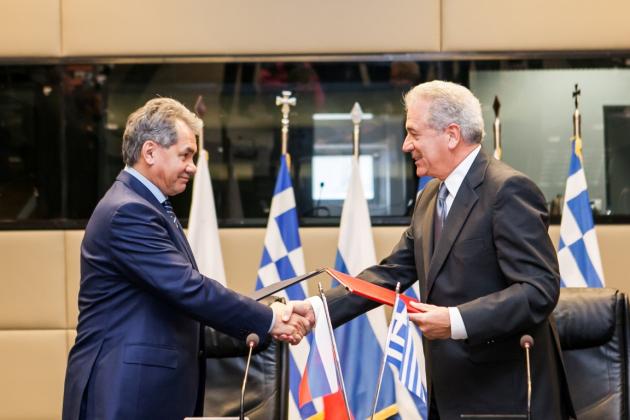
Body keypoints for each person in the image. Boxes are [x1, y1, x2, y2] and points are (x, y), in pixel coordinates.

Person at [302, 81, 574, 419]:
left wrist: (455, 320)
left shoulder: (507, 190)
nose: (406, 145)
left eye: (413, 133)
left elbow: (539, 289)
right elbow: (391, 273)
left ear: (452, 135)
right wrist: (317, 309)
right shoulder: (430, 197)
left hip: (506, 398)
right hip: (449, 393)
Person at [62, 98, 312, 420]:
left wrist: (271, 314)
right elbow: (188, 287)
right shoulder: (128, 211)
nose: (193, 166)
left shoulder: (148, 206)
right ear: (150, 152)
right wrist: (270, 319)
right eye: (185, 155)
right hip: (123, 393)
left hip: (141, 393)